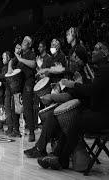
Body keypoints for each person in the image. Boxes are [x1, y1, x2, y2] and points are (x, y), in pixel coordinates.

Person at [37, 41, 109, 170]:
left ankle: (60, 158)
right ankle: (56, 155)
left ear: (105, 53)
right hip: (97, 112)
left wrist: (72, 85)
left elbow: (91, 90)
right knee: (70, 121)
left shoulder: (104, 71)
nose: (92, 51)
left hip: (103, 116)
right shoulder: (101, 70)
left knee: (73, 122)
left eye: (97, 49)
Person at [12, 36, 37, 142]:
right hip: (20, 82)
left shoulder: (31, 53)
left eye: (25, 42)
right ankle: (15, 130)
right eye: (22, 41)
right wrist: (10, 66)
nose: (23, 43)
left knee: (27, 107)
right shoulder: (20, 54)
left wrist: (20, 58)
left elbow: (33, 64)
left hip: (28, 82)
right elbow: (11, 62)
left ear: (30, 45)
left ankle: (31, 132)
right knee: (16, 106)